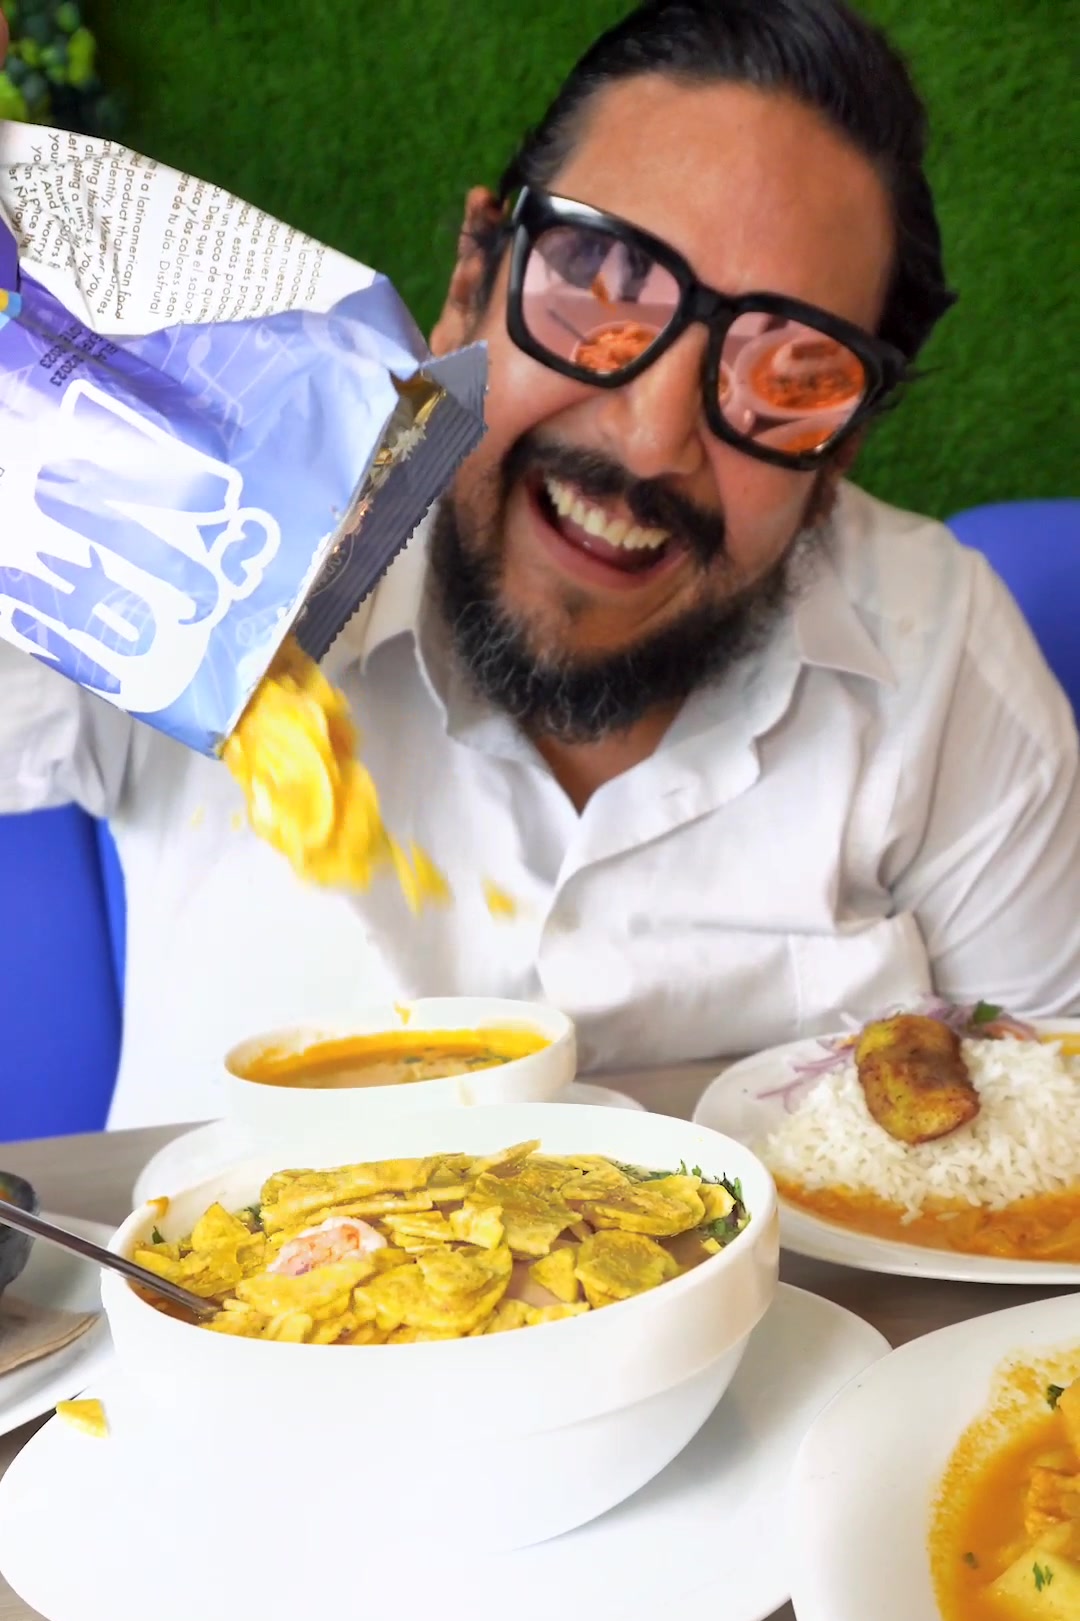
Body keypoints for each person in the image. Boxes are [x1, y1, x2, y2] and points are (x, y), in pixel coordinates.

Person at [2, 0, 1078, 1129]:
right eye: (603, 284)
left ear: (840, 448)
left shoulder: (942, 661)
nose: (651, 439)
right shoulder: (176, 523)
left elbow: (1046, 1150)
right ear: (475, 275)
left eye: (790, 372)